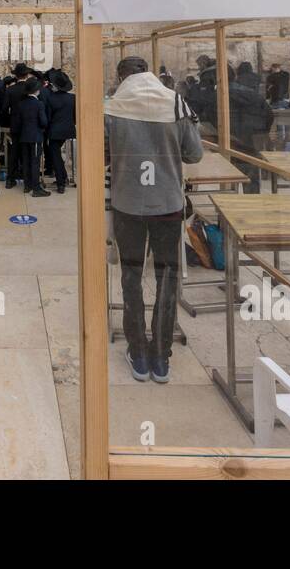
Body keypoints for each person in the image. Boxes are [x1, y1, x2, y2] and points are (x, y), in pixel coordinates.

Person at [106, 57, 203, 384]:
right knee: (167, 276)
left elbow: (101, 155)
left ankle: (138, 349)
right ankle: (161, 355)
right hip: (167, 204)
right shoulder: (175, 103)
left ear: (121, 76)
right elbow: (194, 154)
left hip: (129, 203)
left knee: (131, 276)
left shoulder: (113, 108)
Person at [227, 63, 274, 193]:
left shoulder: (224, 94)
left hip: (232, 138)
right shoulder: (254, 94)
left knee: (230, 173)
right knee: (252, 173)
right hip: (252, 136)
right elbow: (269, 114)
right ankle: (253, 200)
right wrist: (262, 132)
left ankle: (231, 203)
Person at [11, 76, 50, 197]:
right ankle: (36, 188)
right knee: (35, 162)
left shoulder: (21, 104)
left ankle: (27, 186)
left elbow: (18, 122)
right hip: (36, 137)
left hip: (24, 136)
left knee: (26, 162)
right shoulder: (39, 104)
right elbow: (44, 121)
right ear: (36, 91)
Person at [45, 69, 76, 193]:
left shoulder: (50, 98)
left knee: (55, 155)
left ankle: (61, 182)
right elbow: (75, 116)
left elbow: (48, 117)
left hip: (55, 131)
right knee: (56, 154)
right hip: (68, 129)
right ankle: (63, 176)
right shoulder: (73, 98)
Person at [3, 64, 32, 188]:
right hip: (29, 124)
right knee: (26, 152)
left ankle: (10, 180)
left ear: (16, 75)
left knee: (14, 152)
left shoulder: (10, 90)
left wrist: (8, 121)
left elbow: (4, 109)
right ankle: (27, 180)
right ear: (27, 75)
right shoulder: (31, 88)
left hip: (15, 124)